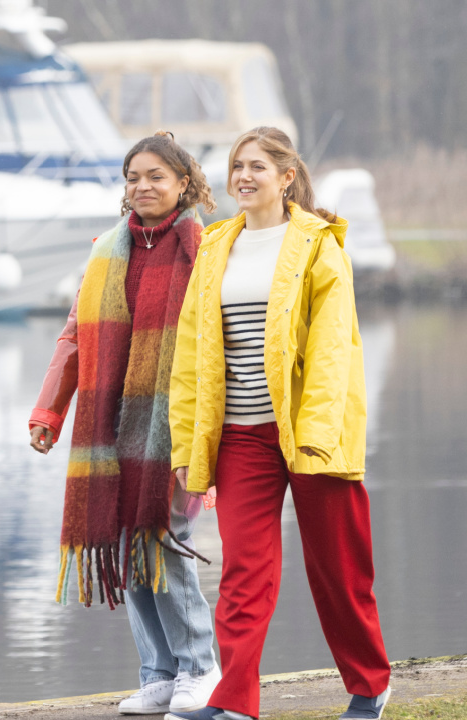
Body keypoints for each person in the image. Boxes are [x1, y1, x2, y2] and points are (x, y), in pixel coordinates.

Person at [165, 127, 391, 720]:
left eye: (256, 166)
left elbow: (331, 348)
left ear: (286, 177)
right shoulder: (216, 248)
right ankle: (235, 701)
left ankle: (371, 685)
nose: (243, 176)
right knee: (244, 572)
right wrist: (190, 445)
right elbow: (192, 356)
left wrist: (315, 434)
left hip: (312, 436)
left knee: (339, 571)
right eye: (236, 165)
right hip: (241, 438)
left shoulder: (319, 245)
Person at [29, 131, 222, 716]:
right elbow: (74, 339)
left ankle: (201, 667)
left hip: (179, 426)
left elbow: (224, 344)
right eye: (133, 177)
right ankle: (159, 672)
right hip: (111, 424)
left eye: (156, 177)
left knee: (165, 540)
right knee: (127, 541)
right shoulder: (106, 252)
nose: (142, 187)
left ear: (184, 184)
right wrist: (49, 411)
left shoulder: (208, 251)